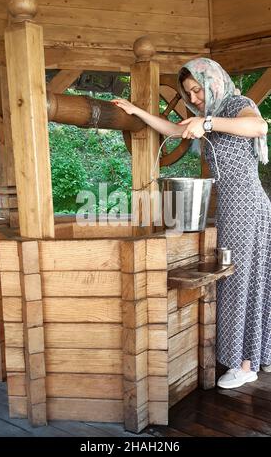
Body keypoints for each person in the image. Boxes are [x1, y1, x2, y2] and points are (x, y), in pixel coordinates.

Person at [112, 57, 271, 389]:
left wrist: (209, 123)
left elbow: (259, 127)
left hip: (248, 207)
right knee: (235, 279)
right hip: (230, 207)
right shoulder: (204, 115)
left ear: (213, 81)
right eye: (189, 94)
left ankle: (246, 364)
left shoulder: (237, 105)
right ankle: (248, 357)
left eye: (198, 90)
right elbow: (173, 130)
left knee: (242, 281)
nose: (195, 98)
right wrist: (137, 112)